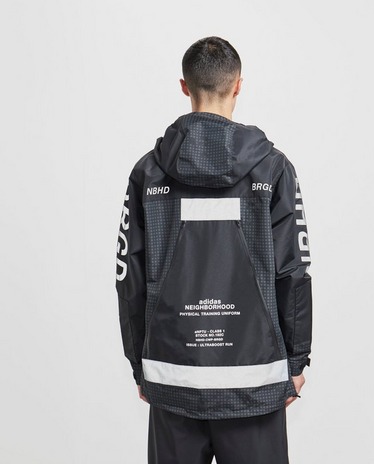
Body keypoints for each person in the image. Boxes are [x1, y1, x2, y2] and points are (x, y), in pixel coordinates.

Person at [116, 36, 313, 464]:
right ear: (238, 85)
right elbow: (293, 271)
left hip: (173, 375)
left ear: (184, 86)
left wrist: (140, 364)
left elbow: (128, 278)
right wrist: (297, 361)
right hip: (255, 379)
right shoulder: (273, 168)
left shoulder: (148, 173)